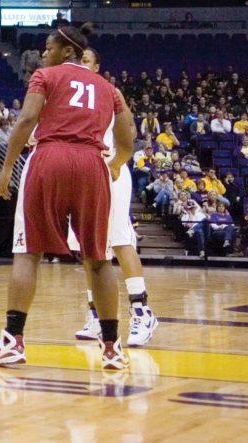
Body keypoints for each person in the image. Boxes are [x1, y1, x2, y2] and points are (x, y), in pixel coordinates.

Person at [0, 24, 135, 370]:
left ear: (66, 51)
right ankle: (112, 347)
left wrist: (8, 167)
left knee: (27, 253)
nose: (43, 54)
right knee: (99, 259)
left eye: (48, 48)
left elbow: (25, 120)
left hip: (49, 158)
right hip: (91, 164)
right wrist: (115, 164)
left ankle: (13, 341)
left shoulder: (45, 76)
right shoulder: (109, 89)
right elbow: (128, 136)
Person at [68, 48, 157, 348]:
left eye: (87, 61)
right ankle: (97, 316)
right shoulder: (68, 94)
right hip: (82, 174)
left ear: (97, 66)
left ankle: (142, 312)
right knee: (87, 246)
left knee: (119, 241)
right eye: (78, 60)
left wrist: (117, 162)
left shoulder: (110, 91)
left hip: (111, 171)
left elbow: (130, 129)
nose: (81, 65)